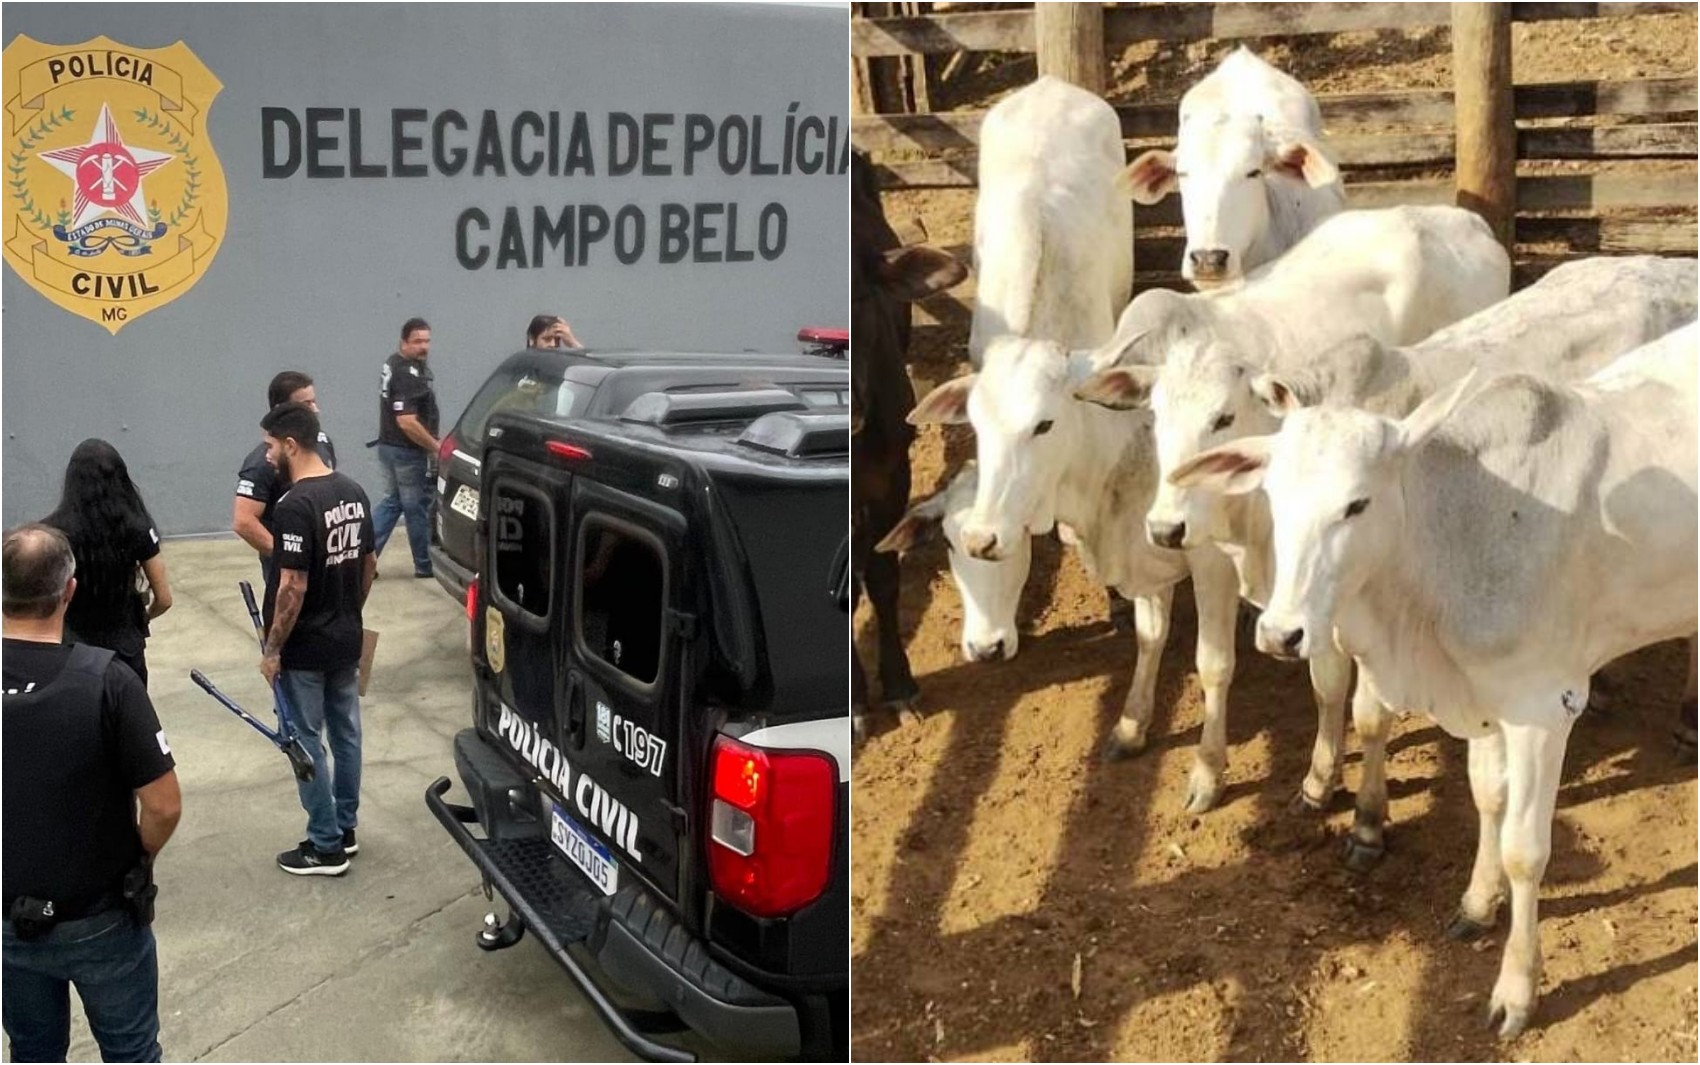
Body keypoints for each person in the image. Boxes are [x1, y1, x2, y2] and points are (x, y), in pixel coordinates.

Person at [2, 523, 181, 1063]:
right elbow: (163, 804)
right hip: (100, 915)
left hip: (8, 919)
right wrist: (139, 855)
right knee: (131, 1052)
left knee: (33, 1051)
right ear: (69, 591)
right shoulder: (107, 681)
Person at [259, 401, 377, 875]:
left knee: (304, 740)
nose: (267, 455)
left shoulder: (294, 506)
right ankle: (345, 829)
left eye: (270, 445)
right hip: (346, 639)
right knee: (346, 734)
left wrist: (272, 649)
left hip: (306, 648)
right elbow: (368, 564)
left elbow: (292, 586)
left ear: (291, 444)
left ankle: (324, 845)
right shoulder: (354, 492)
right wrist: (349, 611)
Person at [42, 440, 172, 687]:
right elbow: (164, 599)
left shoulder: (50, 532)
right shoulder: (138, 527)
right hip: (124, 650)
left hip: (72, 650)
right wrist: (141, 621)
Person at [233, 371, 338, 588]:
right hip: (289, 571)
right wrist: (287, 556)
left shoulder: (322, 442)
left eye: (314, 401)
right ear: (283, 410)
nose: (315, 410)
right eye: (306, 404)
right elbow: (244, 521)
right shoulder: (262, 463)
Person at [373, 317, 438, 579]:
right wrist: (435, 446)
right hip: (406, 452)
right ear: (403, 342)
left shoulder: (393, 363)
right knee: (415, 507)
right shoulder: (407, 373)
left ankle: (361, 558)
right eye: (417, 341)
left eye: (427, 341)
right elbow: (407, 421)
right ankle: (424, 564)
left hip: (388, 447)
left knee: (393, 502)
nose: (424, 347)